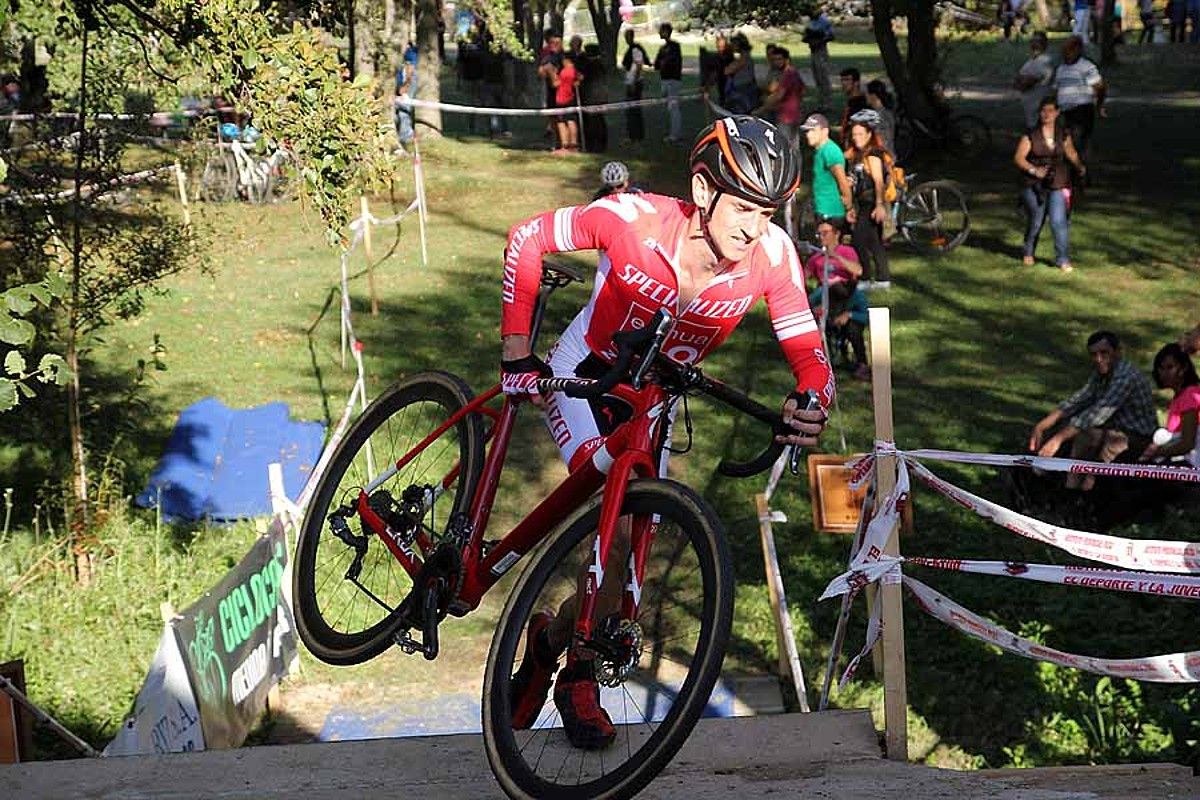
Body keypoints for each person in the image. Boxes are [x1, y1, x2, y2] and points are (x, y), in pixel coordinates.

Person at [501, 116, 833, 749]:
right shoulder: (632, 220)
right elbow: (526, 237)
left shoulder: (771, 255)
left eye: (767, 212)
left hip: (653, 400)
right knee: (616, 525)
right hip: (583, 381)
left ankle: (551, 644)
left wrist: (811, 398)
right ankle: (578, 678)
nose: (753, 227)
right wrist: (517, 354)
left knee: (626, 572)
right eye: (743, 207)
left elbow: (808, 349)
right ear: (703, 191)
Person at [1028, 331, 1157, 491]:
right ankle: (1055, 482)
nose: (1098, 359)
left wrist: (1057, 440)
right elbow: (1078, 400)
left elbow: (1098, 414)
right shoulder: (1102, 373)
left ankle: (1076, 493)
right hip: (1114, 428)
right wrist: (1042, 426)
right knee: (1073, 429)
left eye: (1104, 353)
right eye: (1094, 354)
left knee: (1091, 440)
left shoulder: (1125, 377)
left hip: (1137, 437)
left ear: (1117, 352)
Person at [1013, 96, 1086, 271]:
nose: (1046, 114)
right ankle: (1029, 250)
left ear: (1057, 113)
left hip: (1058, 180)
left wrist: (1080, 167)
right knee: (1037, 220)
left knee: (1058, 221)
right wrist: (1033, 170)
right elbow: (1018, 158)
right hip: (1034, 183)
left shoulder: (1063, 133)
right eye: (1043, 110)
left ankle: (1062, 259)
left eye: (1051, 110)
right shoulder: (1031, 134)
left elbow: (1071, 153)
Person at [754, 46, 806, 240]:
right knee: (793, 149)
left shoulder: (788, 75)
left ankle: (788, 177)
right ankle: (794, 176)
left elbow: (778, 94)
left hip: (787, 117)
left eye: (778, 59)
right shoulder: (791, 74)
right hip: (790, 114)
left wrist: (761, 109)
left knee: (785, 149)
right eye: (773, 59)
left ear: (786, 58)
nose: (775, 62)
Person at [843, 112, 892, 290]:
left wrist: (879, 205)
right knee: (874, 242)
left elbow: (878, 181)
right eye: (854, 135)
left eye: (860, 134)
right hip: (863, 202)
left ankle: (865, 278)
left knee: (858, 240)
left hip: (872, 202)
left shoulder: (872, 155)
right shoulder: (858, 154)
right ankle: (883, 279)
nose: (856, 138)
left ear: (869, 134)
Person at [1139, 343, 1200, 467]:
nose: (1164, 373)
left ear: (1183, 368)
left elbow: (1187, 444)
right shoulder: (1179, 396)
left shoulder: (1190, 396)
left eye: (1170, 367)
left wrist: (1157, 453)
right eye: (1161, 368)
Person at [1052, 36, 1105, 169]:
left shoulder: (1086, 66)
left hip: (1082, 108)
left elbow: (1099, 87)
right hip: (1065, 110)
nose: (1064, 53)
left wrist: (1099, 105)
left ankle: (1083, 168)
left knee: (1081, 139)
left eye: (1068, 50)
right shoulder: (1061, 69)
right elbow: (1055, 89)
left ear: (1077, 50)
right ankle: (1071, 167)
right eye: (1063, 50)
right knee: (1065, 140)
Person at [801, 113, 852, 230]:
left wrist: (849, 205)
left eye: (813, 131)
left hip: (830, 212)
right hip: (823, 209)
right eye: (807, 131)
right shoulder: (820, 151)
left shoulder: (830, 151)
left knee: (829, 248)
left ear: (825, 131)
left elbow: (842, 180)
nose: (808, 135)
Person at [1014, 32, 1055, 130]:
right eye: (1033, 41)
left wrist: (1022, 81)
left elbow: (1027, 83)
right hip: (1030, 109)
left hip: (1039, 107)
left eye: (1038, 41)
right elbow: (1017, 81)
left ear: (1045, 44)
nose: (1035, 44)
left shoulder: (1044, 61)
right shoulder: (1031, 61)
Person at [653, 23, 683, 144]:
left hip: (673, 80)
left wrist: (663, 63)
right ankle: (672, 131)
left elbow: (671, 63)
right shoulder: (663, 48)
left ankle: (675, 135)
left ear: (666, 32)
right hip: (664, 80)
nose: (659, 33)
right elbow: (656, 64)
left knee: (673, 108)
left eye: (661, 31)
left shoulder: (674, 47)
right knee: (669, 107)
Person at [802, 9, 835, 113]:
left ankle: (828, 103)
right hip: (813, 51)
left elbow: (831, 36)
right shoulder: (810, 22)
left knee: (823, 77)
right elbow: (805, 36)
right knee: (817, 78)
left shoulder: (824, 22)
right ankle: (821, 102)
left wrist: (819, 40)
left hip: (821, 51)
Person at [551, 50, 581, 155]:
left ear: (566, 60)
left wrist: (553, 73)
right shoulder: (574, 70)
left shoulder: (564, 71)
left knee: (562, 122)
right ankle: (573, 145)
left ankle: (565, 146)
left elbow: (555, 84)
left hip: (562, 99)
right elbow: (579, 79)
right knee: (571, 120)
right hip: (570, 98)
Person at [621, 28, 648, 143]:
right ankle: (634, 135)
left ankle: (635, 135)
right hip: (631, 82)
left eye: (628, 36)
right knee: (631, 110)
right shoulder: (631, 49)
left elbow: (638, 65)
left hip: (634, 83)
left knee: (633, 110)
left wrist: (634, 82)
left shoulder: (636, 49)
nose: (627, 39)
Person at [722, 33, 758, 115]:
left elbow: (727, 71)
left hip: (743, 90)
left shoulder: (744, 58)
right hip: (742, 89)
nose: (732, 46)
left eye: (734, 44)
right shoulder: (743, 57)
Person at [394, 41, 419, 153]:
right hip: (399, 82)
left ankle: (406, 136)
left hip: (408, 81)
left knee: (404, 109)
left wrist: (406, 85)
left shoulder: (410, 52)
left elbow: (410, 69)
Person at [864, 80, 896, 156]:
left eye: (867, 94)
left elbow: (882, 141)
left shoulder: (880, 116)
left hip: (883, 158)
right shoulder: (887, 112)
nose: (865, 96)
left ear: (873, 96)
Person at [838, 68, 867, 146]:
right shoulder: (851, 101)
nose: (843, 83)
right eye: (842, 80)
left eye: (847, 80)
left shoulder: (860, 104)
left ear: (856, 82)